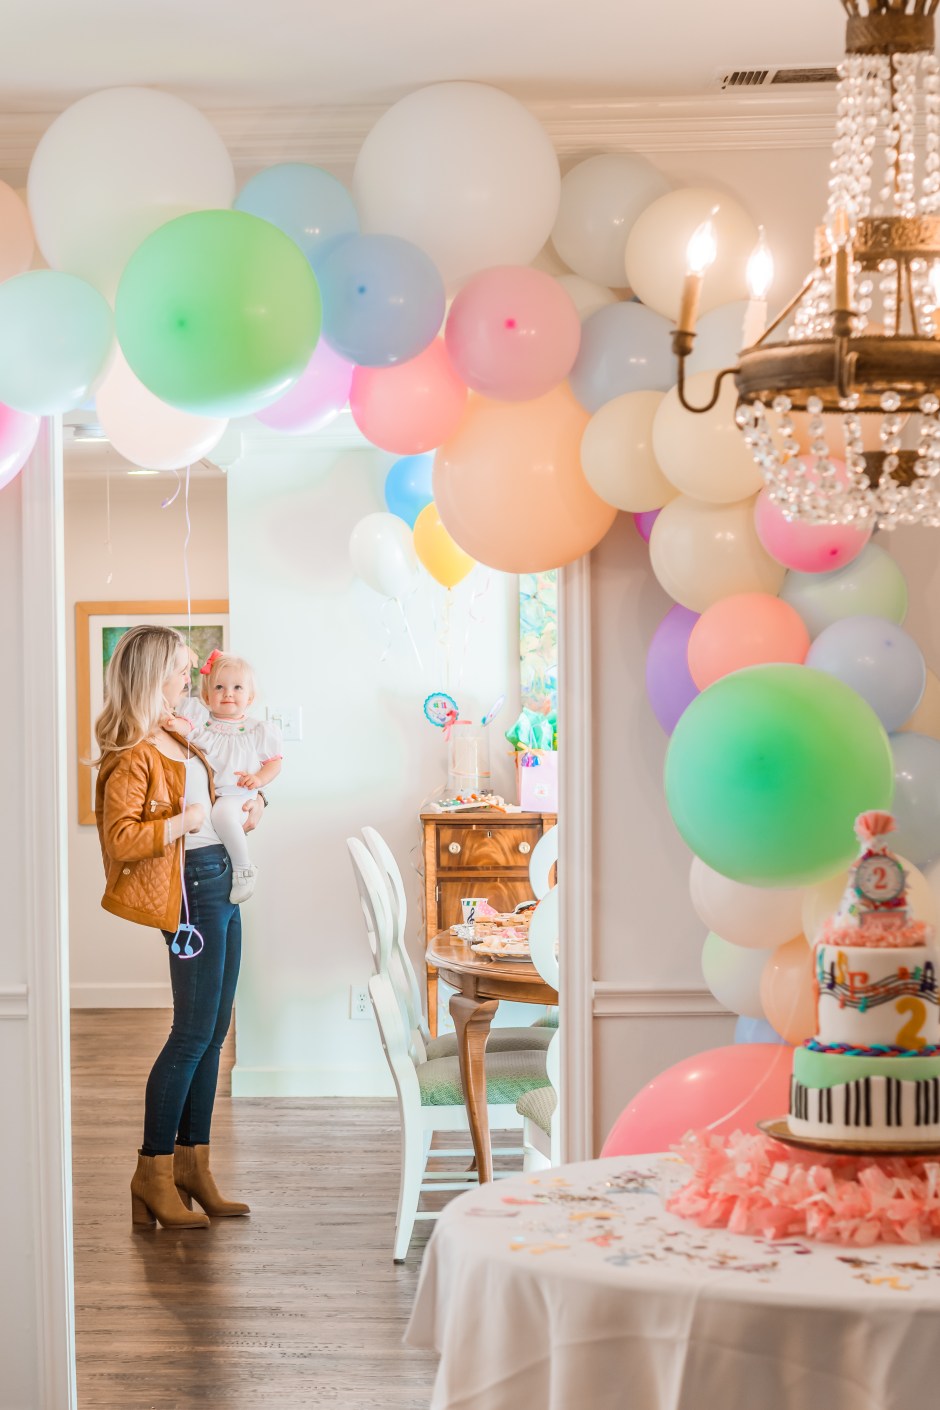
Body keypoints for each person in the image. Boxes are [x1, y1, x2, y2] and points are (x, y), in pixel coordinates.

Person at [94, 624, 265, 1230]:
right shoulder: (133, 752)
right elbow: (120, 839)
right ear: (152, 676)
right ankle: (152, 1171)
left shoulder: (180, 738)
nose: (189, 682)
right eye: (180, 672)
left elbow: (222, 791)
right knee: (191, 1033)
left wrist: (251, 806)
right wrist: (184, 820)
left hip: (220, 874)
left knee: (216, 1030)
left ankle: (194, 1167)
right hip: (190, 890)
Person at [173, 649, 283, 904]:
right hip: (217, 796)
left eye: (237, 688)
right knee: (220, 814)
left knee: (222, 815)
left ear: (251, 696)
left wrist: (258, 780)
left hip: (238, 793)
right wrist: (173, 724)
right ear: (206, 696)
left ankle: (244, 869)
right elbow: (186, 729)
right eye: (219, 687)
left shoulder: (256, 730)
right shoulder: (202, 725)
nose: (228, 694)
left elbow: (274, 763)